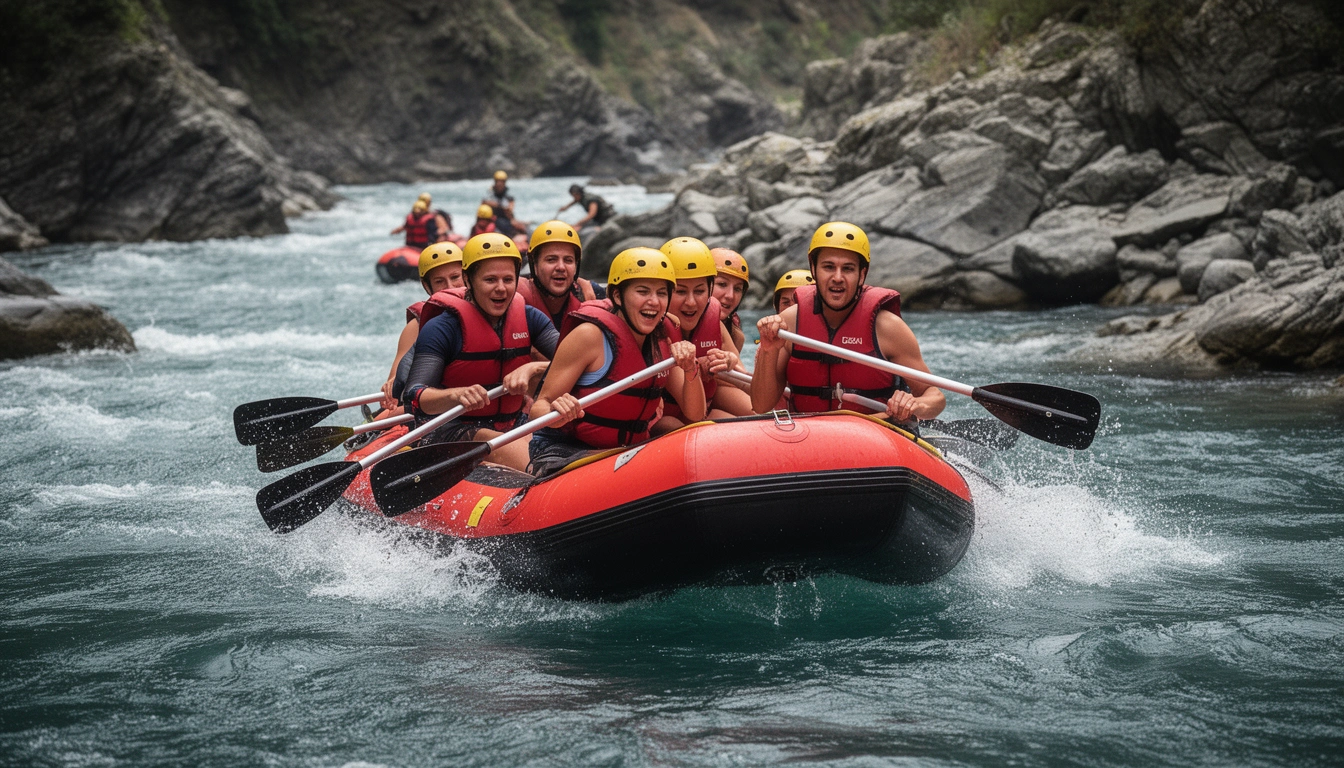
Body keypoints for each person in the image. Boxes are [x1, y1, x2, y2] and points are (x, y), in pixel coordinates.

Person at [526, 248, 705, 478]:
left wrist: (691, 368)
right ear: (618, 296)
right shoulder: (589, 336)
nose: (654, 301)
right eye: (642, 291)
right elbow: (538, 409)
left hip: (625, 453)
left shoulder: (663, 340)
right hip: (567, 450)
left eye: (662, 293)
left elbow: (695, 413)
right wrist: (557, 411)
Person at [753, 222, 945, 428]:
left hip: (875, 434)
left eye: (848, 269)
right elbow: (761, 404)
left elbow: (935, 396)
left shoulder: (888, 327)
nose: (837, 278)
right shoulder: (790, 322)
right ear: (813, 269)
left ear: (862, 274)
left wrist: (915, 404)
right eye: (828, 267)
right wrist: (768, 350)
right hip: (807, 436)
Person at [400, 233, 560, 472]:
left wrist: (532, 368)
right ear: (468, 279)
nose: (501, 289)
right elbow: (415, 397)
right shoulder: (443, 328)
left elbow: (579, 366)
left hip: (514, 422)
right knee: (535, 461)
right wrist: (456, 395)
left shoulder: (530, 318)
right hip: (451, 430)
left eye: (508, 279)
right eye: (490, 280)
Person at [654, 237, 752, 433]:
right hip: (667, 416)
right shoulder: (654, 328)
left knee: (753, 424)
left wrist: (729, 362)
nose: (691, 302)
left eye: (699, 291)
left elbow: (747, 383)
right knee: (671, 425)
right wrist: (698, 366)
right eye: (681, 291)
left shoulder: (724, 328)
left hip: (703, 405)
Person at [379, 242, 467, 412]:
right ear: (428, 287)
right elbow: (396, 380)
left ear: (467, 276)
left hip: (478, 401)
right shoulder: (417, 324)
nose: (449, 287)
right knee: (387, 415)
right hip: (433, 403)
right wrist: (391, 383)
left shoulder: (490, 312)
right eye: (439, 281)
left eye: (455, 277)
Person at [517, 220, 606, 331]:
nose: (561, 267)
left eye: (568, 260)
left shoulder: (593, 293)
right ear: (534, 263)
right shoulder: (511, 297)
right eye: (551, 260)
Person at [711, 248, 749, 351]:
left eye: (737, 289)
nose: (730, 296)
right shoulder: (673, 322)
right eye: (722, 284)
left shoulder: (736, 336)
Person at [483, 170, 524, 237]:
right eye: (498, 181)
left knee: (521, 227)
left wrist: (512, 219)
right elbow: (484, 203)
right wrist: (500, 206)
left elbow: (509, 209)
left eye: (502, 181)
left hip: (505, 218)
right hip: (492, 218)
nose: (499, 184)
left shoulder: (508, 194)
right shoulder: (490, 192)